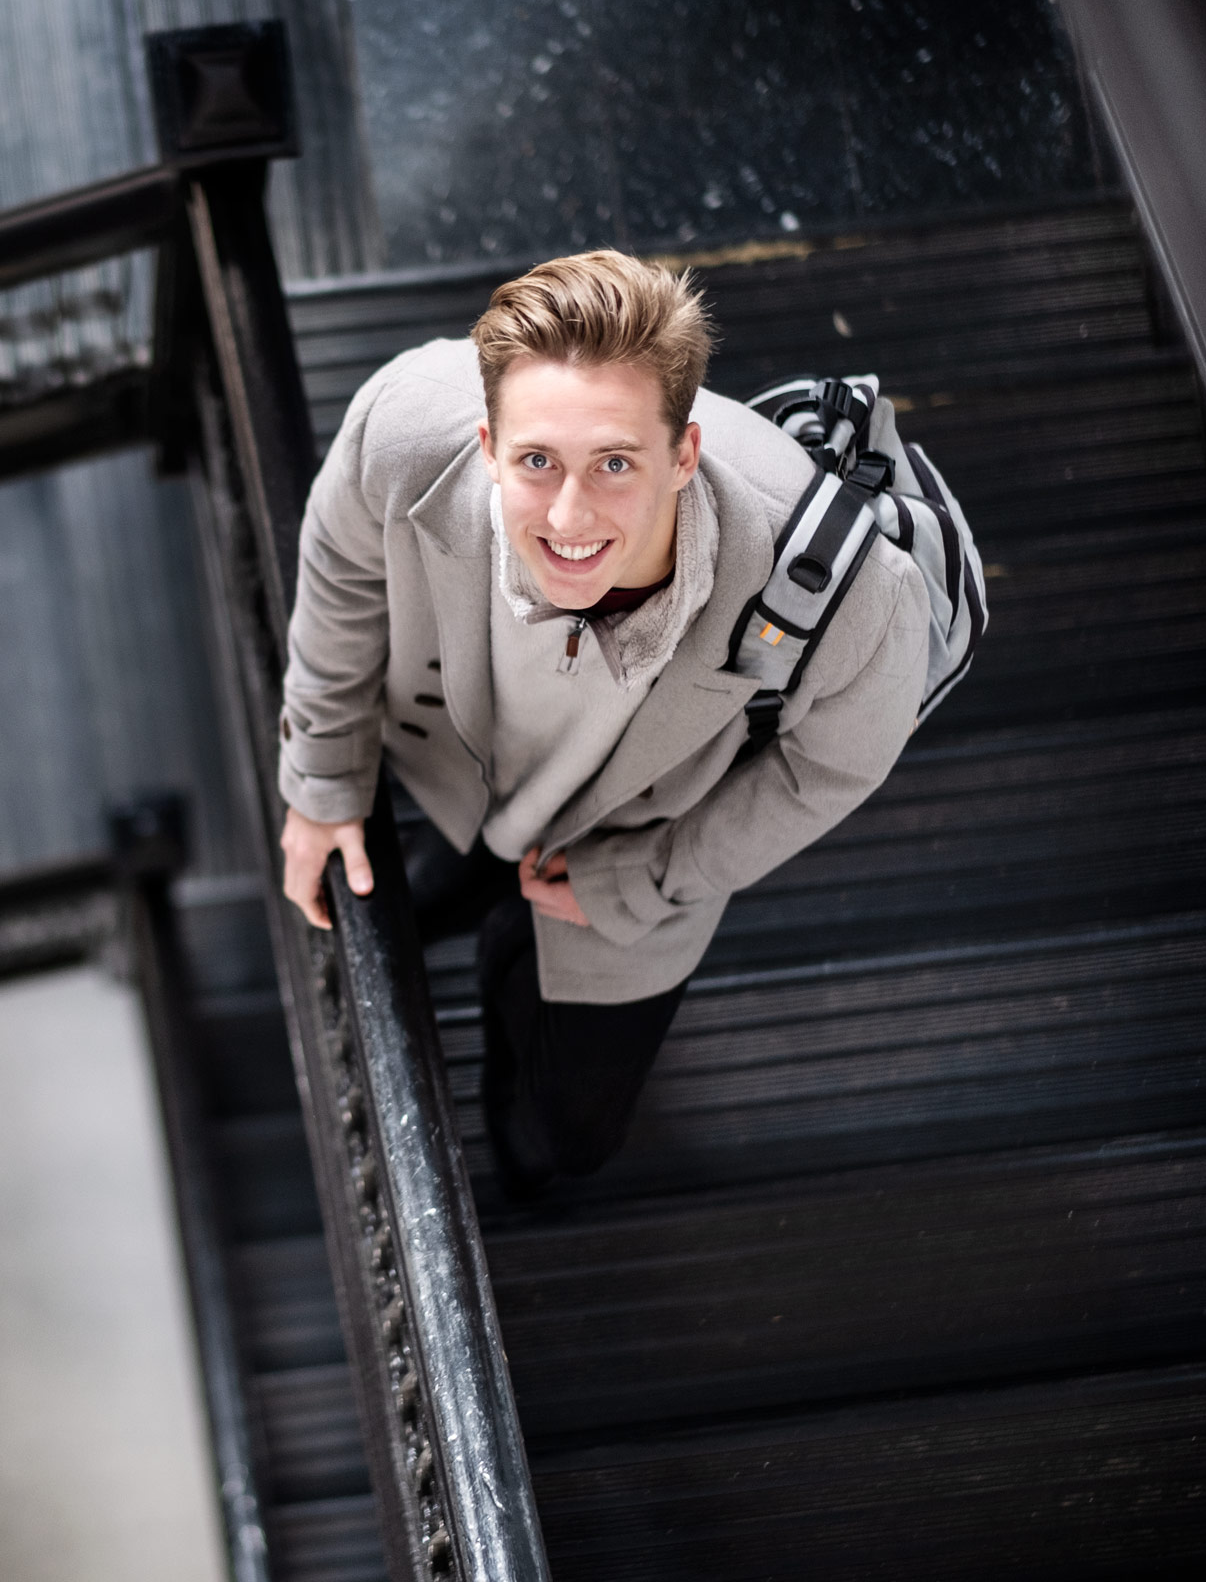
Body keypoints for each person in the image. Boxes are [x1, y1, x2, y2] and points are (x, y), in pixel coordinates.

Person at [274, 250, 931, 1196]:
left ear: (684, 454)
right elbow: (339, 565)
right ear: (489, 442)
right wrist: (325, 775)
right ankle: (488, 889)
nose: (572, 516)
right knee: (419, 900)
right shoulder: (404, 425)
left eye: (616, 462)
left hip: (633, 838)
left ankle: (515, 944)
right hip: (473, 772)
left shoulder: (853, 593)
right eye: (537, 461)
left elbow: (832, 769)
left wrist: (650, 878)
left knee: (558, 1147)